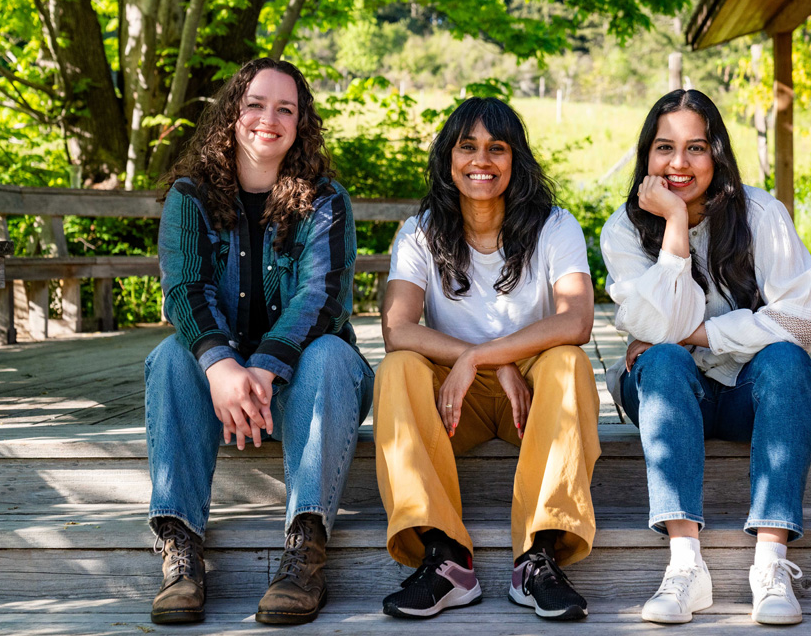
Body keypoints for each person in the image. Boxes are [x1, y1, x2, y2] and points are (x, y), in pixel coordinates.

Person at [145, 57, 373, 625]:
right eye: (255, 104)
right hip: (221, 388)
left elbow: (321, 298)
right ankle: (181, 549)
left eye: (285, 109)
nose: (268, 118)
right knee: (171, 356)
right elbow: (185, 291)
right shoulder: (189, 196)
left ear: (300, 124)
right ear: (232, 114)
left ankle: (305, 549)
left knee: (329, 353)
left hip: (307, 383)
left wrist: (261, 370)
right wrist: (222, 368)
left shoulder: (324, 199)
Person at [373, 97, 601, 621]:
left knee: (568, 362)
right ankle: (446, 558)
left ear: (515, 159)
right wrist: (477, 362)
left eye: (497, 148)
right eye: (468, 146)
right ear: (448, 159)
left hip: (534, 394)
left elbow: (576, 322)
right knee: (398, 368)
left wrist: (488, 357)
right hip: (458, 404)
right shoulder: (419, 231)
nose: (482, 160)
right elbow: (397, 329)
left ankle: (537, 557)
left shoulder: (554, 226)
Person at [600, 89, 811, 626]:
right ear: (645, 156)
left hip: (747, 394)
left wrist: (700, 332)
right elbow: (656, 333)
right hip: (666, 390)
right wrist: (674, 221)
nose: (678, 163)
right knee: (664, 361)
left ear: (717, 153)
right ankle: (685, 566)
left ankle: (770, 565)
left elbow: (797, 322)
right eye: (664, 148)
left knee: (789, 362)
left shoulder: (762, 214)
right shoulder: (623, 230)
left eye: (695, 147)